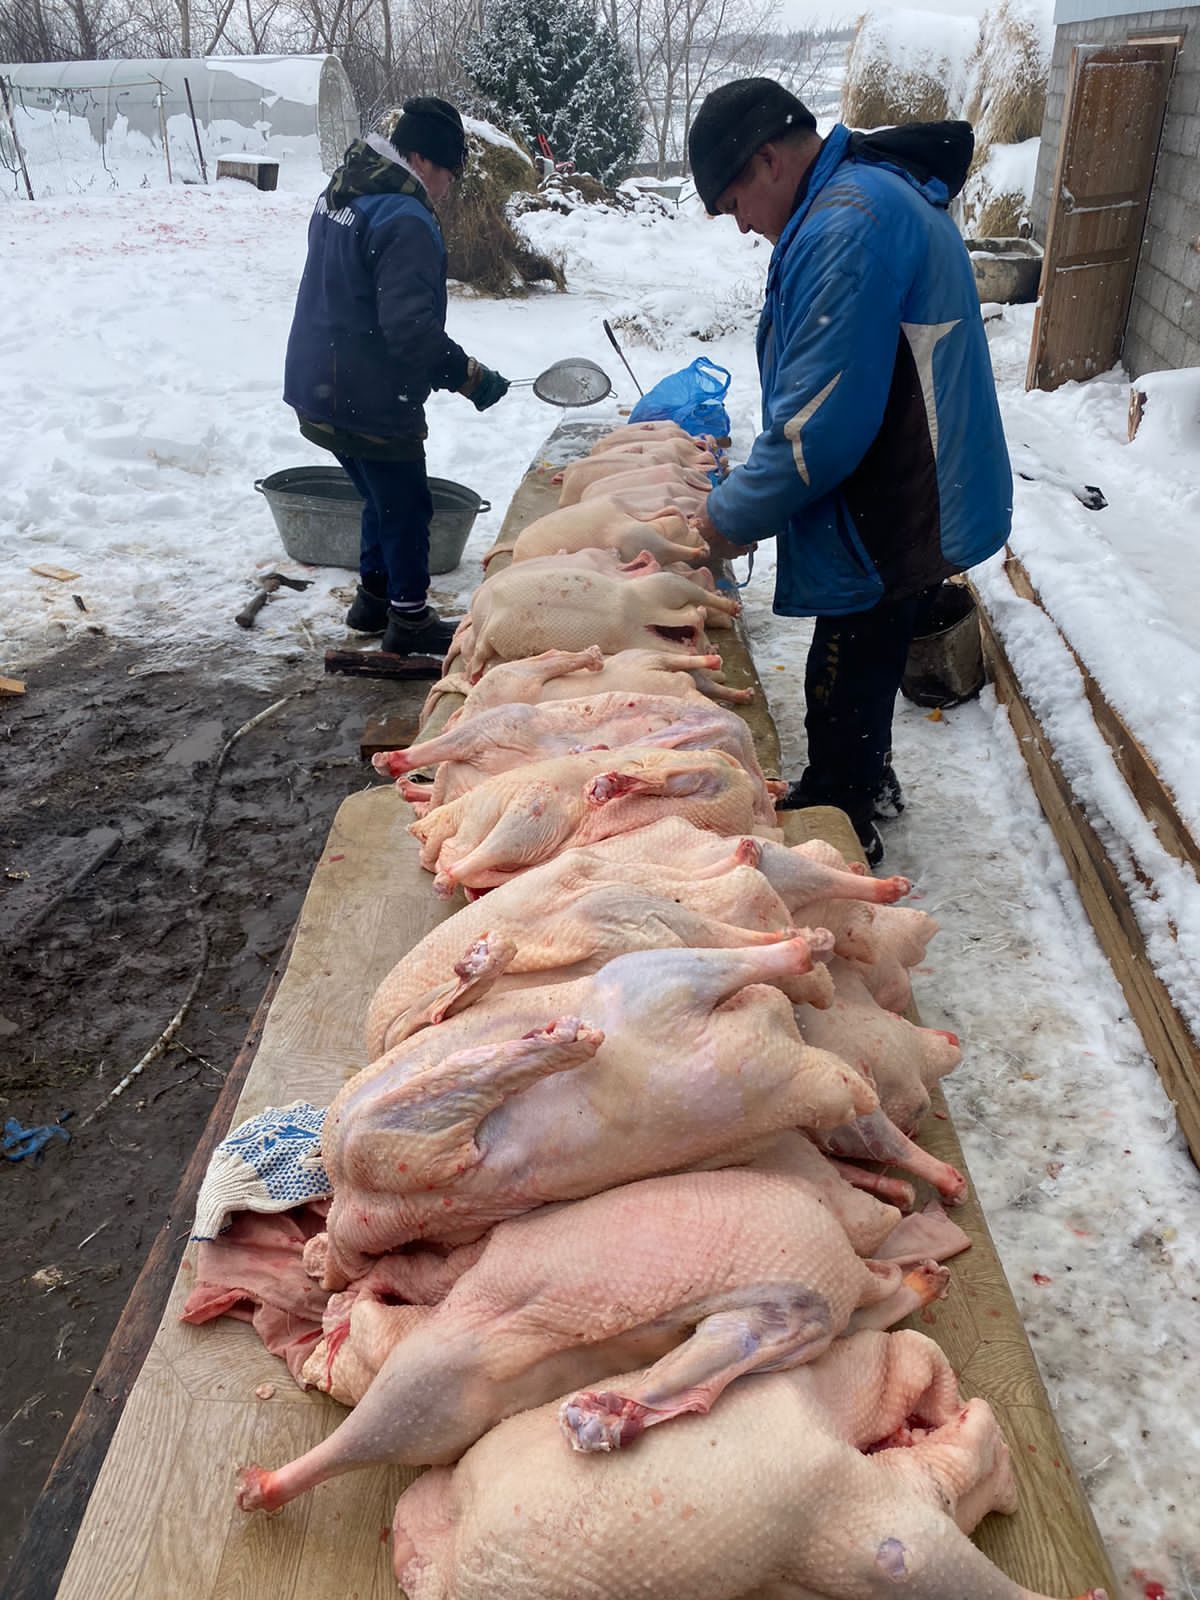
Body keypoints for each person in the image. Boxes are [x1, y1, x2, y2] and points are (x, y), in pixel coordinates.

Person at [687, 79, 1012, 863]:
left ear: (768, 160)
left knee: (844, 670)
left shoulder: (848, 221)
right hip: (911, 475)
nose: (742, 226)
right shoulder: (857, 195)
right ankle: (866, 780)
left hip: (895, 491)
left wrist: (719, 523)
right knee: (867, 649)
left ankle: (841, 821)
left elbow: (818, 431)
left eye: (735, 205)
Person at [284, 97, 510, 657]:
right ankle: (407, 618)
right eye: (448, 171)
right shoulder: (403, 217)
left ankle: (373, 599)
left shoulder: (345, 193)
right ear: (419, 158)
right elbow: (409, 331)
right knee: (406, 504)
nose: (450, 186)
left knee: (378, 497)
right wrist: (468, 375)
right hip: (369, 393)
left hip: (320, 382)